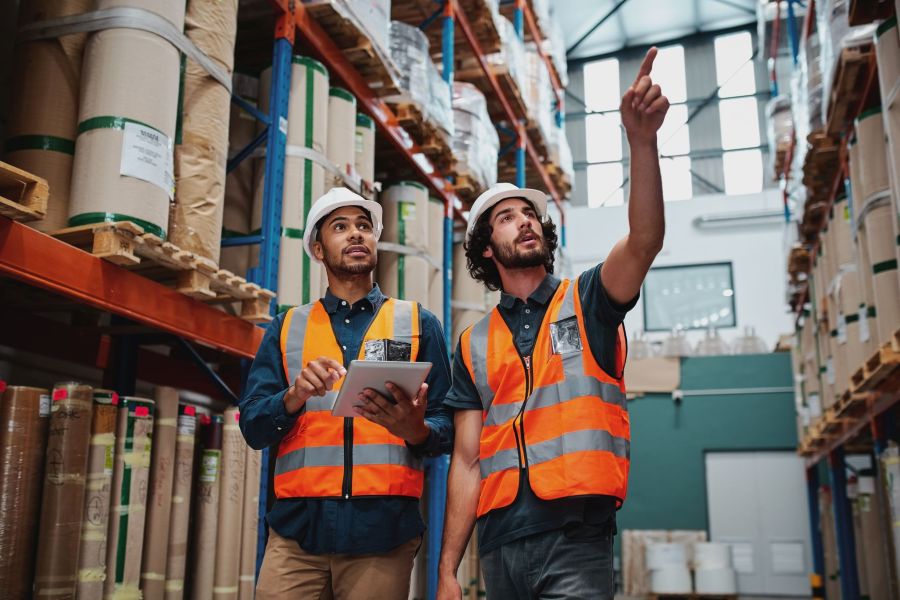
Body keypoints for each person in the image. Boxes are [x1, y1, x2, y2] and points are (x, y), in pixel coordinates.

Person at [437, 47, 669, 600]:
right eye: (507, 217)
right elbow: (466, 462)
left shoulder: (588, 299)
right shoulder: (473, 344)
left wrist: (641, 142)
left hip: (576, 538)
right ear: (486, 248)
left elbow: (644, 241)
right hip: (499, 547)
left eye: (530, 214)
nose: (525, 223)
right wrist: (447, 569)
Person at [240, 187, 453, 600]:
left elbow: (448, 425)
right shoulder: (287, 328)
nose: (356, 233)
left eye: (364, 226)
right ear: (318, 250)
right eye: (341, 227)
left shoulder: (418, 323)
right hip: (297, 533)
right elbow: (253, 426)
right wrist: (292, 397)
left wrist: (418, 430)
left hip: (382, 533)